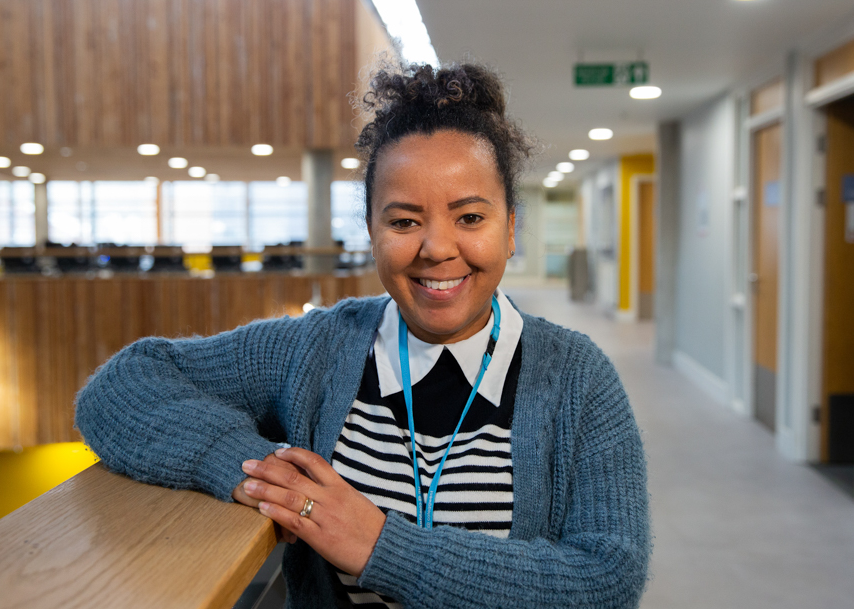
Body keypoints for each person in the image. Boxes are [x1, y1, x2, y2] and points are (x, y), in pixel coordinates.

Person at [75, 62, 650, 608]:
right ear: (372, 231)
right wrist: (254, 470)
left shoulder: (576, 376)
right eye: (403, 221)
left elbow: (607, 581)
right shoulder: (316, 350)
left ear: (510, 230)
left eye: (470, 217)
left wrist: (381, 546)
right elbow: (124, 383)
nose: (437, 248)